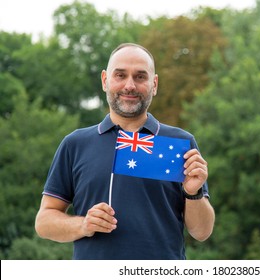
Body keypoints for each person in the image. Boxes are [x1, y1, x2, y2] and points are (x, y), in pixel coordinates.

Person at [35, 43, 215, 260]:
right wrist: (83, 224)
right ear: (105, 80)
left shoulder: (179, 143)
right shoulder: (75, 144)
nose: (130, 85)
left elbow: (202, 232)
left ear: (154, 84)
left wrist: (193, 193)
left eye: (140, 77)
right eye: (120, 75)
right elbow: (44, 222)